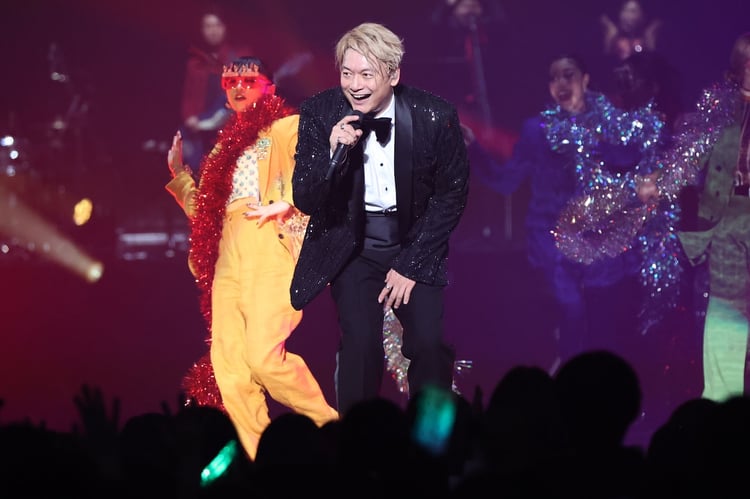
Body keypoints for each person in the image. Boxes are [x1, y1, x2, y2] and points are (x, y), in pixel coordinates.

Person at [289, 22, 470, 416]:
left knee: (429, 344)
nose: (355, 85)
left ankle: (430, 439)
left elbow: (452, 193)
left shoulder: (434, 115)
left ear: (393, 75)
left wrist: (411, 264)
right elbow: (305, 198)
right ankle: (358, 439)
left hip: (415, 240)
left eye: (366, 75)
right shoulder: (320, 113)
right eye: (347, 73)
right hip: (353, 244)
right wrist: (333, 154)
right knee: (360, 344)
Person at [166, 56, 338, 460]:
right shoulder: (222, 149)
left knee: (263, 358)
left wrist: (288, 202)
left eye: (248, 80)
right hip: (227, 251)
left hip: (267, 240)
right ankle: (261, 458)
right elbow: (206, 213)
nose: (238, 87)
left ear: (269, 87)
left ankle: (332, 430)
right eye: (230, 83)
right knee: (230, 366)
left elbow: (321, 160)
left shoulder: (285, 127)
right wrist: (180, 176)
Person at [467, 54, 665, 370]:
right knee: (573, 313)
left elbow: (633, 161)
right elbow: (506, 182)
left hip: (602, 243)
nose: (560, 83)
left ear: (585, 80)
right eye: (553, 78)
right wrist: (473, 149)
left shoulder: (611, 124)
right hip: (555, 244)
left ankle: (603, 383)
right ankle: (570, 381)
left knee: (603, 322)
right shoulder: (537, 130)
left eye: (568, 75)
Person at [673, 32, 750, 402]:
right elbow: (689, 157)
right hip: (727, 221)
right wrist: (661, 182)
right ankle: (723, 403)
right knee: (726, 309)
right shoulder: (720, 107)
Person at [179, 6, 251, 170]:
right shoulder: (195, 62)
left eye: (217, 25)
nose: (213, 31)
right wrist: (189, 117)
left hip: (230, 127)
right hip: (200, 130)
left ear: (225, 27)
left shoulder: (240, 56)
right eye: (208, 26)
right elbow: (188, 95)